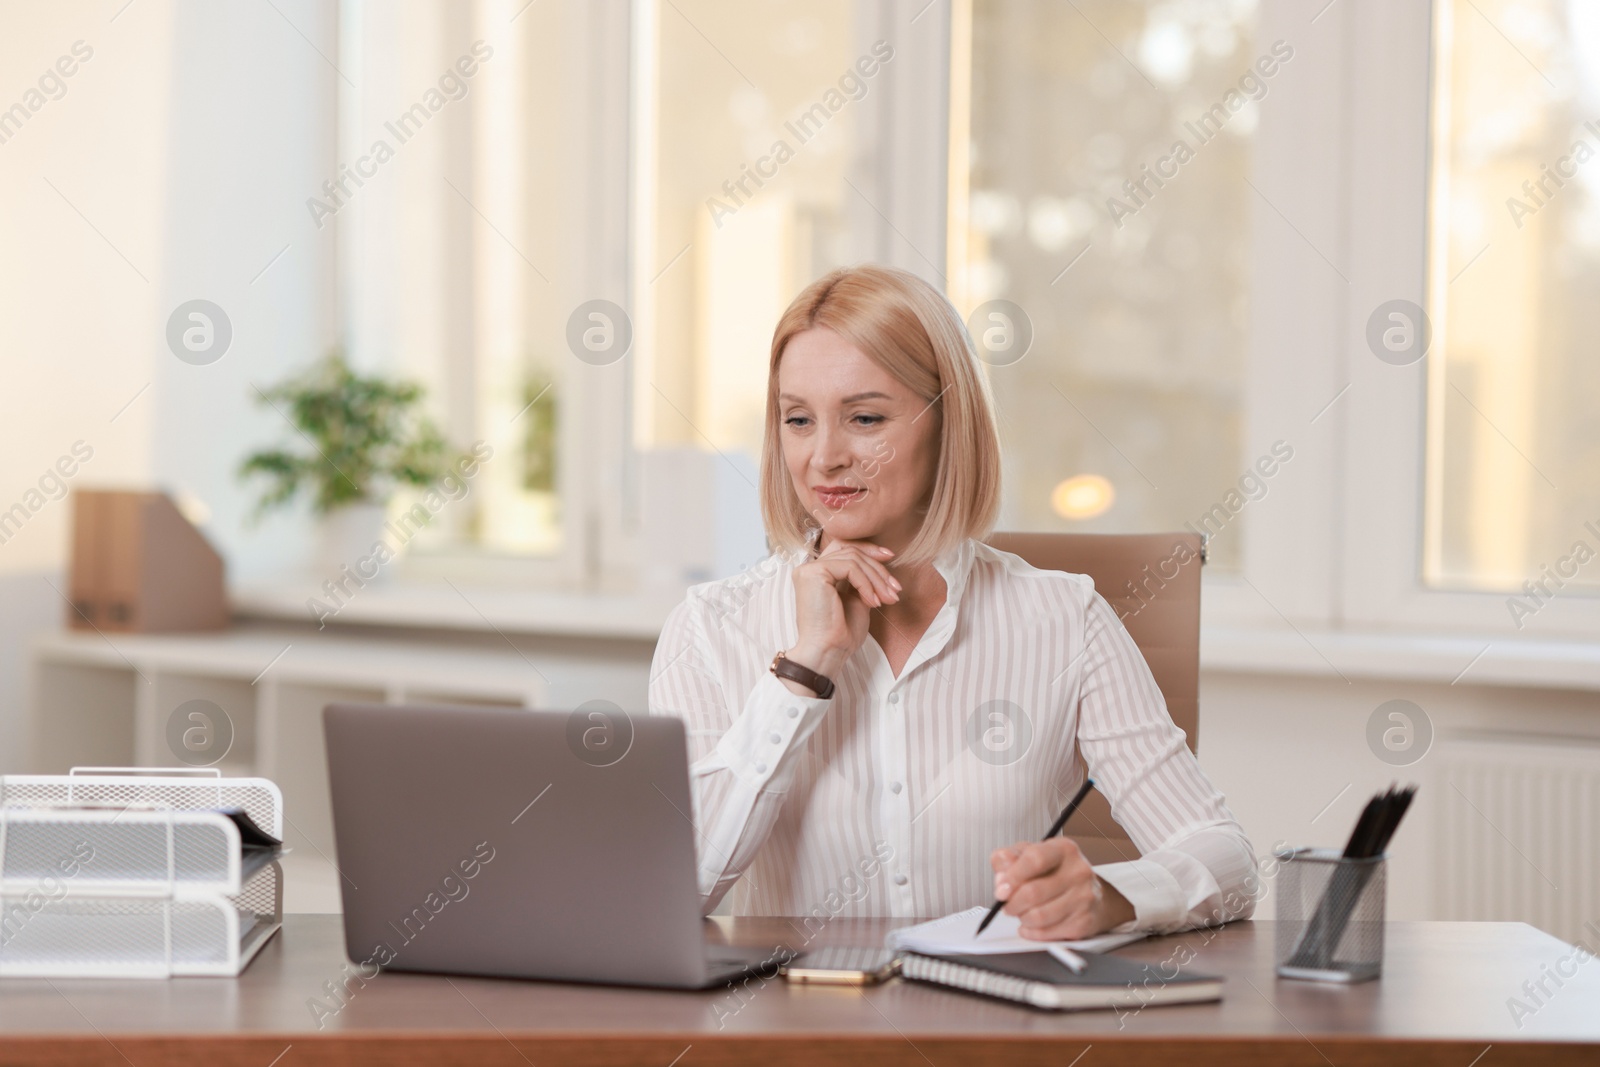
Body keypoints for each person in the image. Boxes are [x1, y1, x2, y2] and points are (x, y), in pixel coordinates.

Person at [648, 264, 1256, 939]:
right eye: (798, 419)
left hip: (991, 1030)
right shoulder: (707, 628)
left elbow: (1224, 855)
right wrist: (804, 670)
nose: (823, 457)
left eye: (865, 417)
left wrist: (1110, 894)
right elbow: (676, 889)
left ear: (947, 422)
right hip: (795, 1032)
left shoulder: (1063, 618)